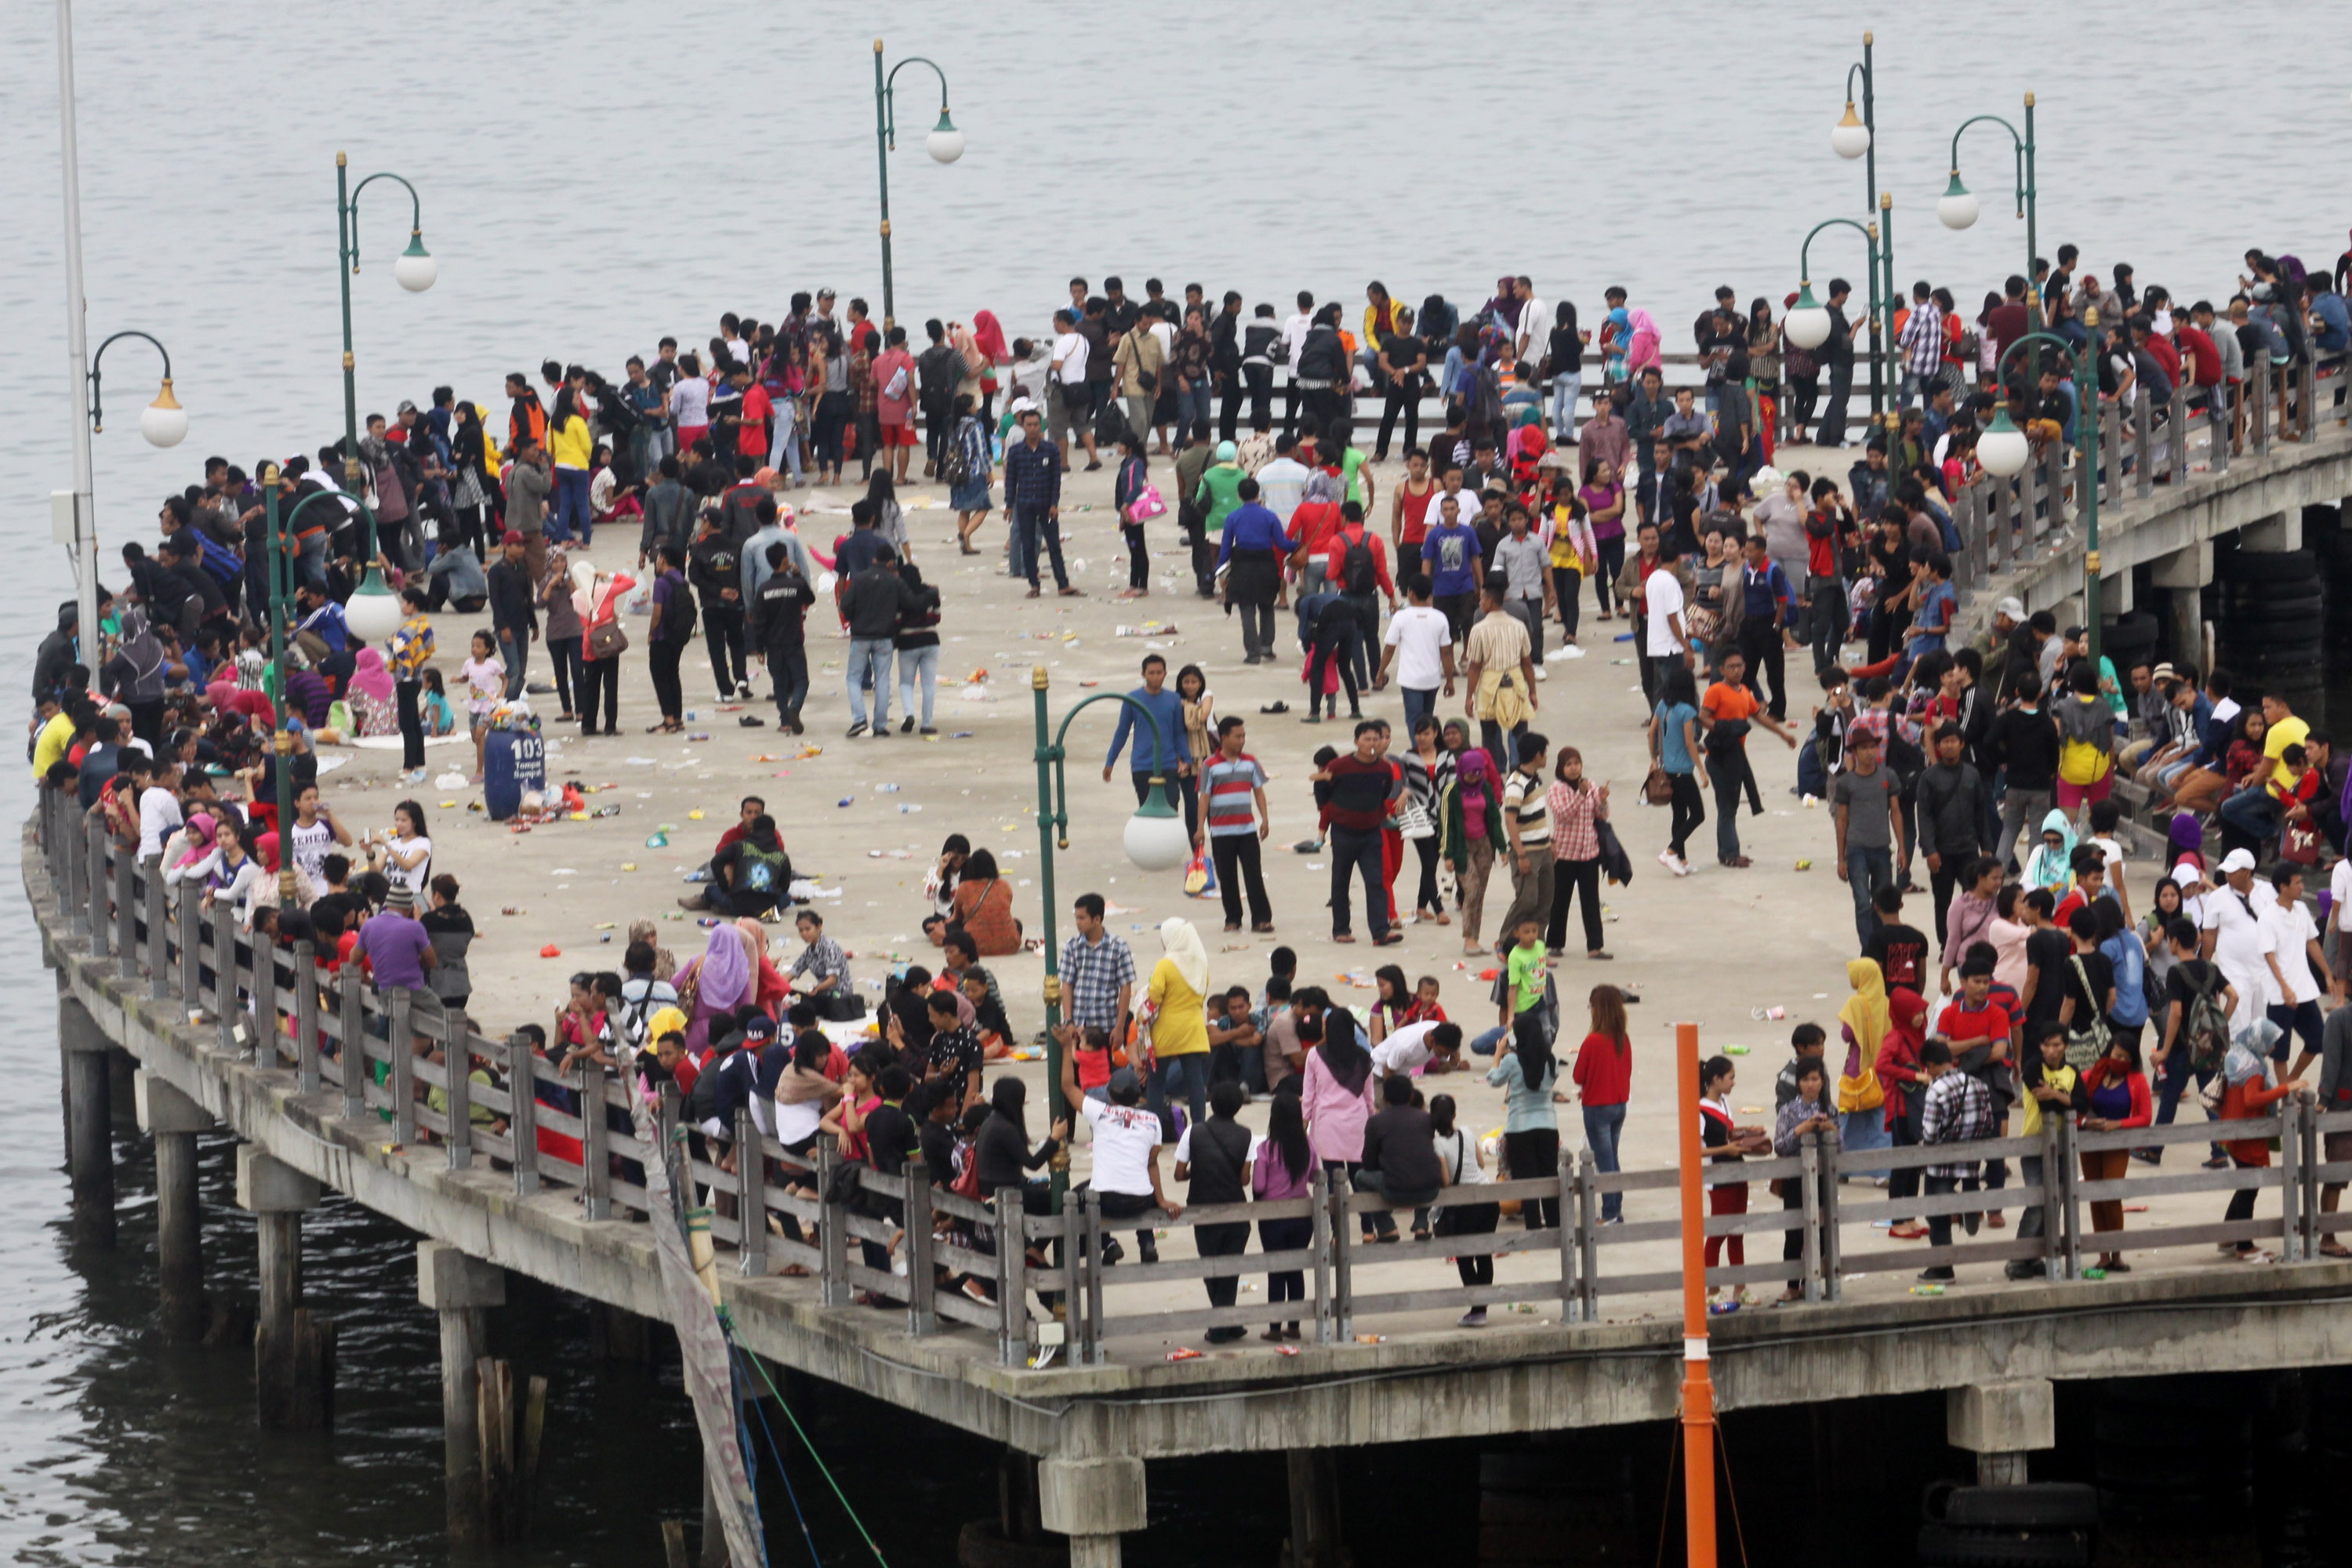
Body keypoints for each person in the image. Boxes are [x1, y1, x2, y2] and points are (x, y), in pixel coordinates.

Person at [1171, 1079, 1252, 1340]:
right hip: (1234, 1208)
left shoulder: (1193, 1132)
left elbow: (1179, 1175)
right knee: (1230, 1269)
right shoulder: (1246, 1135)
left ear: (1211, 1104)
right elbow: (1244, 1180)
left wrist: (1200, 1170)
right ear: (1238, 1108)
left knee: (1211, 1267)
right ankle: (1227, 1323)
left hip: (1202, 1208)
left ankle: (1221, 1325)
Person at [1913, 1040, 1994, 1283]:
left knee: (1936, 1214)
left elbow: (1929, 1133)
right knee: (1954, 1195)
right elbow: (1988, 1123)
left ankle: (1942, 1268)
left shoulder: (1936, 1090)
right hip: (1970, 1159)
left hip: (1940, 1163)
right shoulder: (1979, 1085)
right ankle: (1969, 1200)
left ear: (1929, 1065)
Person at [1103, 654, 1196, 839]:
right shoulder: (1133, 699)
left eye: (1159, 673)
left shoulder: (1173, 699)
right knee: (1148, 810)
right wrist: (1110, 762)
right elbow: (1122, 732)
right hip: (1142, 765)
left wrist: (1187, 760)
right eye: (1151, 673)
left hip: (1168, 764)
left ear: (1165, 674)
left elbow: (1178, 733)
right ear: (1143, 674)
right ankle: (1153, 846)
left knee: (1171, 806)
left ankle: (1168, 846)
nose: (1155, 677)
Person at [1198, 715, 1273, 934]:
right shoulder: (1209, 765)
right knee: (1227, 876)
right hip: (1221, 832)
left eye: (1243, 736)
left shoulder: (1250, 762)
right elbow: (1204, 797)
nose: (1242, 740)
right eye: (1237, 736)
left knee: (1253, 874)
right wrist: (1200, 828)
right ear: (1224, 738)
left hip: (1247, 830)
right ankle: (1233, 919)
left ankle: (1261, 919)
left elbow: (1258, 791)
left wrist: (1265, 819)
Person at [1486, 1010, 1562, 1229]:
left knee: (1527, 1180)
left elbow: (1494, 1080)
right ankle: (1554, 1223)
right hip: (1548, 1124)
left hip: (1519, 1127)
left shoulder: (1511, 1060)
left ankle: (1533, 1224)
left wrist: (1498, 1054)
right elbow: (1551, 1079)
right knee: (1549, 1177)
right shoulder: (1551, 1060)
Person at [1251, 1091, 1316, 1341]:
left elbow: (1258, 1186)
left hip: (1273, 1217)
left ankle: (1275, 1328)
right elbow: (1314, 1176)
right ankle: (1295, 1325)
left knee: (1276, 1271)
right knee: (1295, 1270)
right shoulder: (1308, 1144)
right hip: (1302, 1215)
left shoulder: (1266, 1148)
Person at [1772, 1058, 1837, 1301]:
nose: (1811, 1085)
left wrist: (1830, 1128)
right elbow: (1780, 1145)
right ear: (1799, 1083)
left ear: (1822, 1082)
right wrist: (1801, 1129)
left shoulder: (1830, 1110)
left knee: (1821, 1231)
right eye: (1806, 1080)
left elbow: (1841, 1147)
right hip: (1795, 1179)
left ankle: (1812, 1281)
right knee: (1794, 1232)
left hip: (1822, 1179)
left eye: (1815, 1079)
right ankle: (1791, 1284)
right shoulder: (1789, 1110)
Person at [1144, 917, 1212, 1141]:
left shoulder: (1165, 964)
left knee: (1156, 1082)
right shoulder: (1201, 962)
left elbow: (1155, 995)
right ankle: (1199, 1128)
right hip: (1193, 1028)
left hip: (1166, 1030)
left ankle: (1155, 1133)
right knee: (1195, 1081)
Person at [1573, 985, 1632, 1222]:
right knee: (1612, 1158)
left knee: (1604, 1161)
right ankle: (1616, 1208)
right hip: (1619, 1104)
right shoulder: (1623, 1039)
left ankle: (1610, 1213)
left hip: (1597, 1106)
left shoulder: (1592, 1041)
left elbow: (1579, 1075)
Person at [1648, 662, 1708, 877]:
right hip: (1683, 770)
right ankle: (1671, 851)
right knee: (1698, 814)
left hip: (1667, 769)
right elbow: (1690, 743)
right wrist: (1702, 771)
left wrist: (1654, 759)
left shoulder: (1663, 705)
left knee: (1680, 814)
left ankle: (1680, 860)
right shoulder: (1687, 711)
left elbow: (1651, 733)